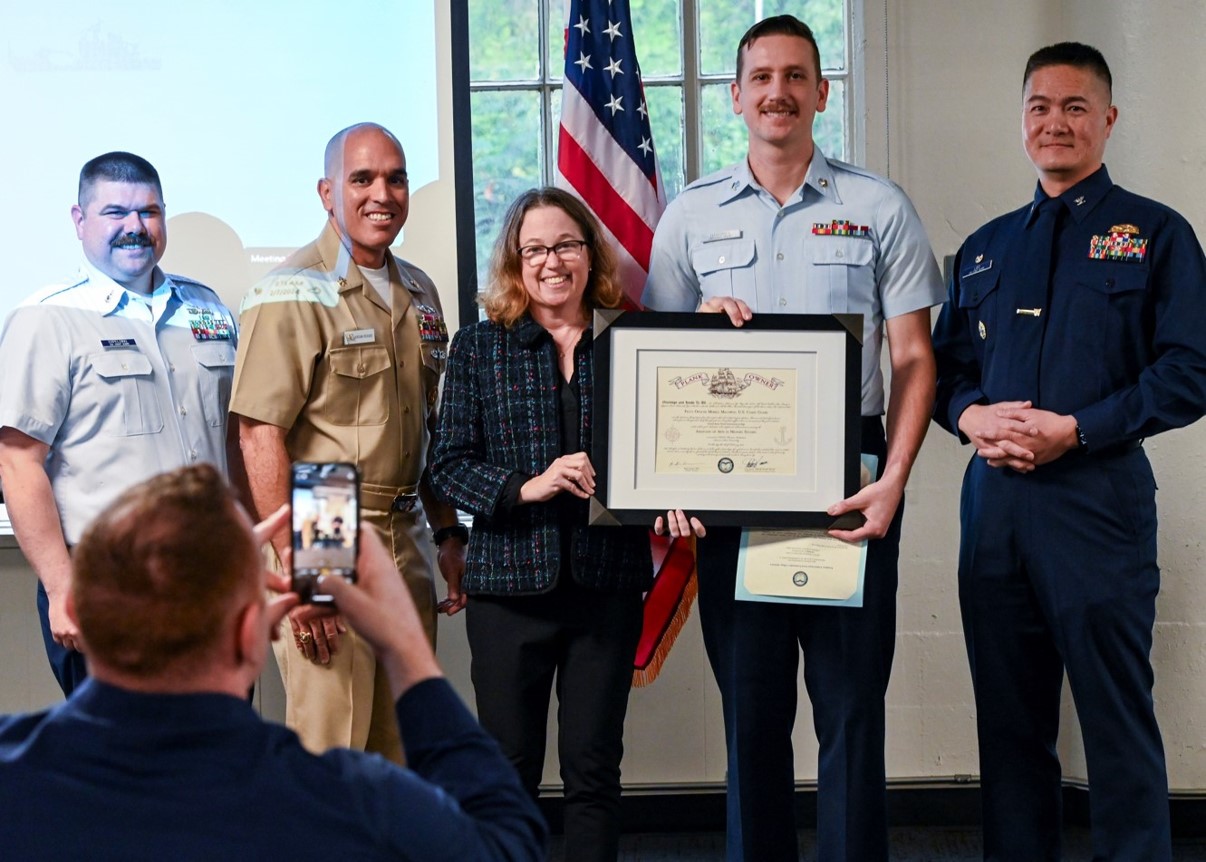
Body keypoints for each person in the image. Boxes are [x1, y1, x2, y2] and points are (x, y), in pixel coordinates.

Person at [642, 15, 945, 861]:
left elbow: (915, 357)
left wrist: (894, 480)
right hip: (732, 485)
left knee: (851, 712)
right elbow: (658, 366)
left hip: (848, 483)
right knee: (753, 714)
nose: (778, 91)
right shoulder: (691, 217)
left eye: (796, 75)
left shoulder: (877, 206)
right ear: (736, 96)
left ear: (821, 91)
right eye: (762, 76)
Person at [932, 42, 1206, 861]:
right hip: (994, 519)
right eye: (1041, 108)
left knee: (1117, 725)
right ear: (1022, 123)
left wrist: (1078, 430)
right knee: (1010, 729)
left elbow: (1190, 371)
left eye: (1076, 107)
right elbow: (948, 372)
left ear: (1108, 121)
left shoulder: (1156, 235)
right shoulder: (983, 248)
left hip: (1097, 509)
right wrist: (969, 417)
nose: (1057, 122)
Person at [0, 464, 546, 861]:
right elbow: (506, 843)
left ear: (75, 608)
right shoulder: (347, 800)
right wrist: (405, 648)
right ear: (252, 635)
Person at [430, 187, 654, 862]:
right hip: (506, 594)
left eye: (565, 245)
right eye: (535, 249)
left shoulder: (633, 341)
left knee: (594, 772)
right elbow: (447, 464)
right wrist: (526, 486)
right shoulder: (479, 347)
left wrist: (683, 492)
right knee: (507, 772)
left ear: (589, 253)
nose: (551, 261)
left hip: (605, 588)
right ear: (514, 261)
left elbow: (669, 450)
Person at [231, 123, 465, 764]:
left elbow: (426, 425)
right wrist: (305, 574)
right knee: (334, 748)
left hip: (407, 532)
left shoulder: (420, 289)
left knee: (400, 754)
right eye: (362, 179)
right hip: (325, 524)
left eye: (395, 177)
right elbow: (259, 432)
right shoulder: (291, 288)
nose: (380, 194)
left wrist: (448, 533)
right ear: (327, 191)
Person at [0, 152, 239, 697]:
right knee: (130, 766)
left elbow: (233, 441)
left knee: (216, 760)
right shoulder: (45, 319)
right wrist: (61, 588)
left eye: (149, 212)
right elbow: (18, 462)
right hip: (108, 583)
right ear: (79, 221)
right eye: (115, 212)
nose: (135, 228)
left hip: (210, 576)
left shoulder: (206, 308)